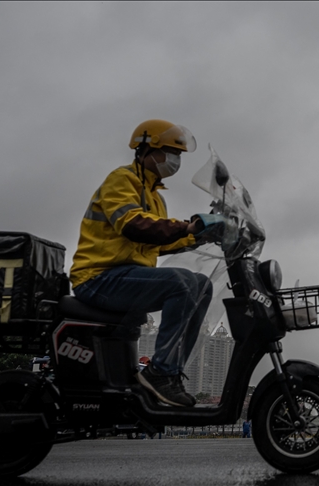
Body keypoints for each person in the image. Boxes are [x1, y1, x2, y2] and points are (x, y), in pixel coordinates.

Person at [70, 119, 229, 408]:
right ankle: (160, 372)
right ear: (146, 150)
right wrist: (187, 227)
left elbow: (157, 240)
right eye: (170, 152)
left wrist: (199, 237)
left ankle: (170, 372)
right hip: (98, 278)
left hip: (128, 276)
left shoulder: (155, 197)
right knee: (180, 283)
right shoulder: (121, 180)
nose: (175, 160)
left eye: (178, 155)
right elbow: (133, 225)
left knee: (202, 285)